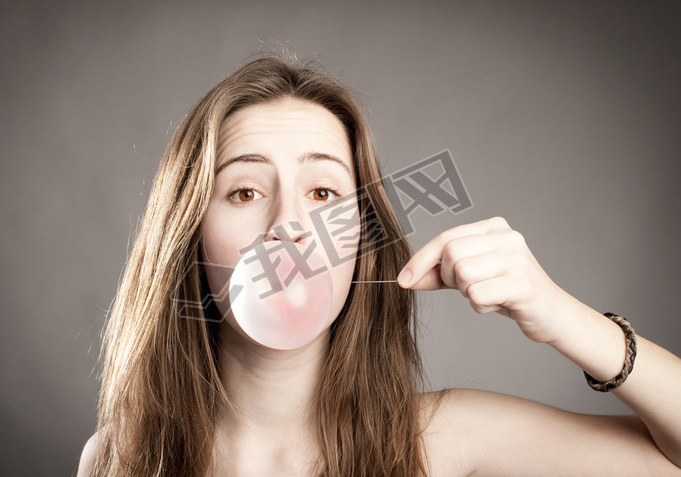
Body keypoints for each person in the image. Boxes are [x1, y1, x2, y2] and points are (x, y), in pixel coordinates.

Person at [77, 53, 681, 476]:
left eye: (323, 195)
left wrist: (561, 317)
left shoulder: (437, 441)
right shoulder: (118, 458)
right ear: (189, 235)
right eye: (245, 192)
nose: (289, 225)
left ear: (362, 240)